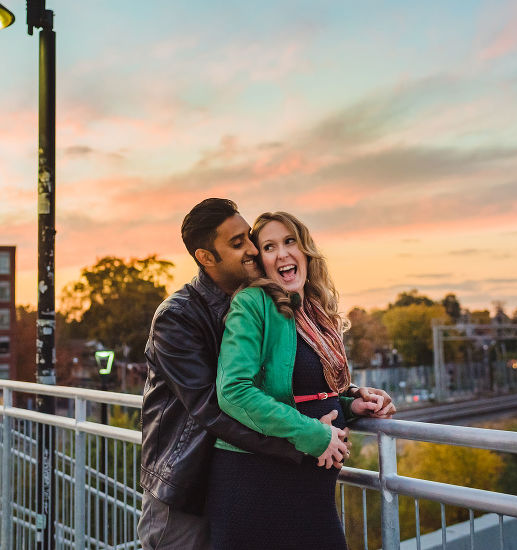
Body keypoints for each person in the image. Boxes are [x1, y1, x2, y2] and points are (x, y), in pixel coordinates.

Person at [139, 199, 393, 550]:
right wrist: (305, 439)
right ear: (205, 257)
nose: (253, 250)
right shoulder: (179, 317)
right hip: (187, 483)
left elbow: (282, 383)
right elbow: (216, 406)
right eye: (238, 243)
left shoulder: (279, 305)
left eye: (249, 238)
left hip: (268, 477)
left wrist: (348, 403)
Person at [209, 211, 394, 550]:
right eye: (269, 246)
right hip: (259, 480)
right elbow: (233, 391)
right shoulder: (253, 304)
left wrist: (351, 405)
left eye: (289, 241)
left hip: (309, 483)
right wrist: (313, 432)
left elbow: (306, 394)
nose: (282, 254)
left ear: (305, 250)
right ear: (260, 261)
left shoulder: (315, 310)